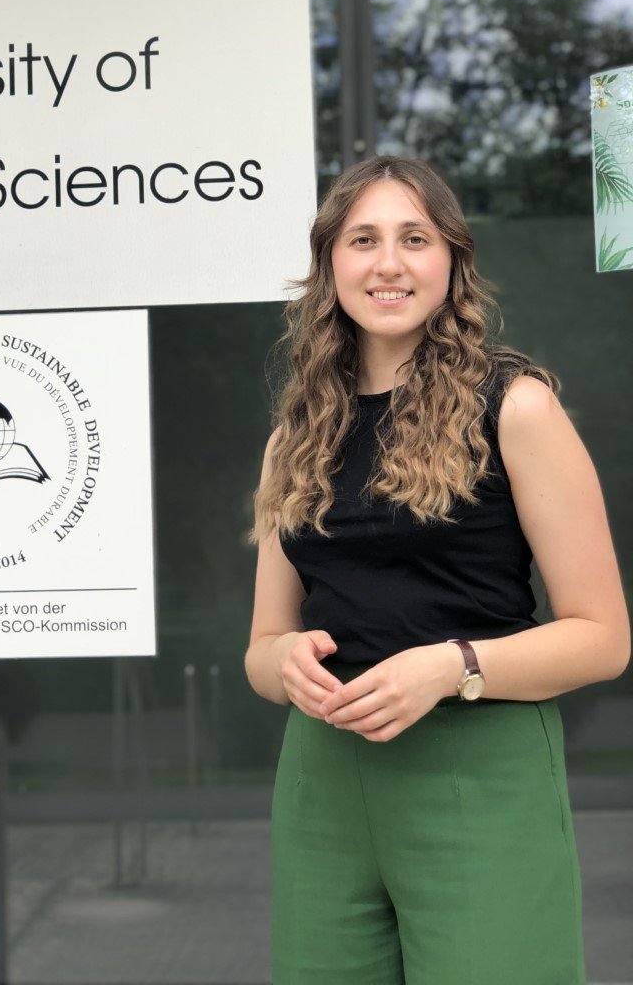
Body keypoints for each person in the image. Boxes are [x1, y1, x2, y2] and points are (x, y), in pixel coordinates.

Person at [244, 155, 630, 985]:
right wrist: (284, 664)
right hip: (324, 778)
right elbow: (263, 646)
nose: (388, 263)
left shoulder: (517, 407)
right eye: (363, 240)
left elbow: (604, 639)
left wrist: (451, 667)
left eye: (414, 239)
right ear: (329, 264)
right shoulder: (295, 435)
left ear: (452, 260)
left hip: (477, 767)